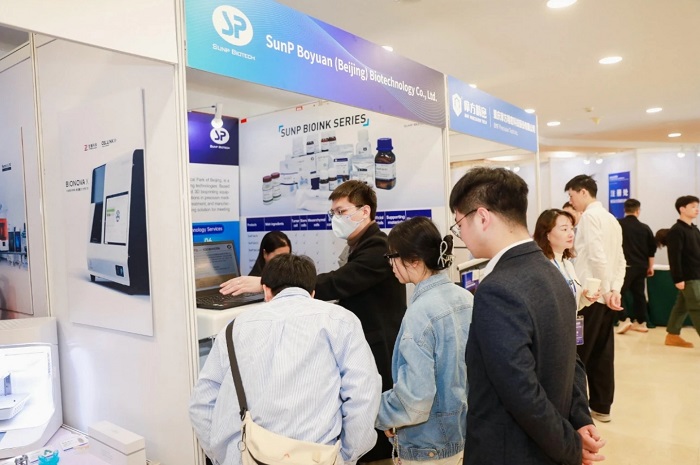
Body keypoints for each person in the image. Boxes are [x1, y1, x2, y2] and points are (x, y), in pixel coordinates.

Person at [220, 180, 406, 460]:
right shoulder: (361, 245)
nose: (336, 218)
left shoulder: (378, 247)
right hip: (370, 342)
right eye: (333, 213)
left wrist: (272, 282)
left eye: (341, 211)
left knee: (369, 420)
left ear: (365, 211)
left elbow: (339, 282)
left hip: (377, 347)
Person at [451, 167, 605, 465]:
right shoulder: (553, 272)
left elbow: (520, 389)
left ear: (482, 218)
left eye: (459, 224)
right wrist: (579, 418)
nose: (461, 235)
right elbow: (571, 358)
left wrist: (570, 445)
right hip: (547, 442)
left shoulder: (497, 288)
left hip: (510, 451)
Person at [190, 254, 382, 465]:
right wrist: (346, 455)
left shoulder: (234, 328)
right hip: (319, 457)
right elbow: (364, 392)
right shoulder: (340, 321)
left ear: (266, 291)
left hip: (245, 457)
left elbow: (202, 403)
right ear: (312, 293)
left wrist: (225, 456)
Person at [375, 217, 473, 464]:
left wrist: (379, 413)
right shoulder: (466, 298)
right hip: (463, 434)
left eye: (392, 256)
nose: (390, 264)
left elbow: (415, 400)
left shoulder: (420, 314)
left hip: (428, 446)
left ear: (414, 260)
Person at [565, 174, 626, 423]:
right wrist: (615, 289)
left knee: (579, 355)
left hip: (590, 298)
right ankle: (602, 406)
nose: (571, 201)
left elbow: (597, 255)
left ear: (583, 192)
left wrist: (608, 289)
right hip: (605, 297)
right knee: (603, 354)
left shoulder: (590, 217)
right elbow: (620, 259)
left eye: (571, 195)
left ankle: (576, 412)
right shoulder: (611, 218)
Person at [533, 208, 599, 310]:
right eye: (564, 229)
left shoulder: (568, 265)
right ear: (547, 234)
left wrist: (585, 299)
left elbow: (572, 306)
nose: (571, 234)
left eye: (571, 229)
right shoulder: (541, 266)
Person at [664, 195, 700, 348]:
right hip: (688, 276)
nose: (697, 209)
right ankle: (672, 335)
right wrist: (678, 278)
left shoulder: (694, 229)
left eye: (697, 206)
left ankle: (672, 335)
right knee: (697, 307)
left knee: (681, 306)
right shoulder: (676, 230)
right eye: (693, 206)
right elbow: (674, 256)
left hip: (696, 274)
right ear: (682, 209)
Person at [616, 199, 657, 334]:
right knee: (639, 295)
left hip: (624, 266)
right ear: (638, 211)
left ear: (624, 210)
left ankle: (623, 319)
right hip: (641, 266)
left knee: (618, 292)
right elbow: (652, 250)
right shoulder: (645, 228)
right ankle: (641, 322)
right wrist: (650, 267)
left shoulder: (618, 224)